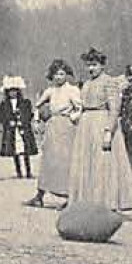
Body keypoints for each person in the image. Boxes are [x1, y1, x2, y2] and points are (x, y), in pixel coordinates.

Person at [66, 48, 132, 212]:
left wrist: (108, 132)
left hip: (101, 124)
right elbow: (82, 105)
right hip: (86, 127)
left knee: (103, 165)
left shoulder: (109, 82)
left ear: (102, 65)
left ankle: (106, 203)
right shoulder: (87, 84)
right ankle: (86, 202)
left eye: (95, 65)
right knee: (86, 164)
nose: (91, 69)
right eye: (88, 65)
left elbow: (114, 109)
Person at [27, 59, 81, 208]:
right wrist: (38, 120)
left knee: (66, 162)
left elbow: (80, 108)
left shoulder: (72, 90)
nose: (59, 77)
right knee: (48, 161)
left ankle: (70, 198)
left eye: (62, 74)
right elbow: (37, 105)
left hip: (67, 127)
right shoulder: (50, 90)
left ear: (67, 75)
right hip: (52, 127)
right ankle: (39, 196)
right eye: (56, 74)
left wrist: (72, 117)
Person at [0, 76, 38, 179]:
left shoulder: (25, 103)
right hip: (12, 131)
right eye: (10, 91)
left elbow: (29, 114)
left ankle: (28, 171)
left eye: (15, 90)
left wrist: (23, 121)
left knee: (25, 150)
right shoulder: (4, 104)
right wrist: (8, 122)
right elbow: (2, 117)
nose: (13, 93)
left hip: (23, 129)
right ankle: (19, 172)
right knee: (14, 150)